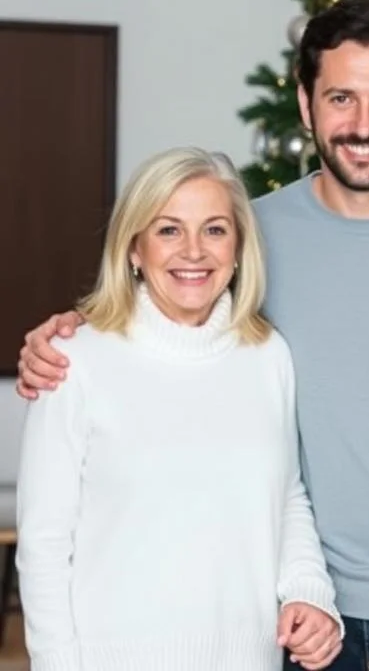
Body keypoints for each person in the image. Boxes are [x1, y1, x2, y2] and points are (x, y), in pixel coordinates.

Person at [15, 0, 369, 670]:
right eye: (341, 98)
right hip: (296, 613)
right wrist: (69, 334)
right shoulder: (246, 237)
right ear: (305, 103)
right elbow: (166, 312)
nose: (363, 124)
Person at [15, 147, 342, 671]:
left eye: (214, 230)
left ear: (238, 248)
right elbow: (44, 545)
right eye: (168, 230)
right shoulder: (74, 360)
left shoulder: (267, 355)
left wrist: (309, 591)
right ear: (134, 249)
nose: (194, 251)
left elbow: (286, 496)